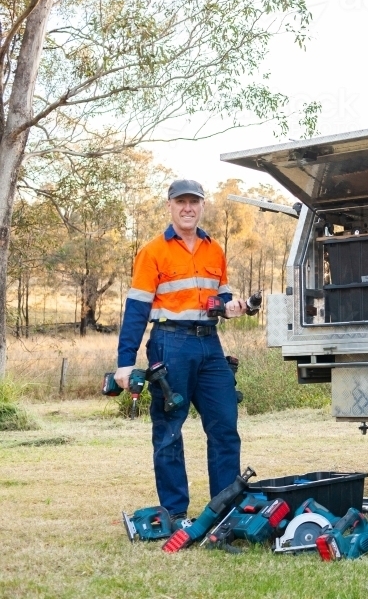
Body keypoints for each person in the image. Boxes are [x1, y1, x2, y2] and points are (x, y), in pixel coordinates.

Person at [113, 179, 247, 525]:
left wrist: (233, 306)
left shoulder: (214, 249)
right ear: (170, 206)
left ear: (202, 206)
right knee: (170, 429)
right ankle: (175, 512)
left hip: (210, 345)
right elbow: (136, 310)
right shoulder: (152, 251)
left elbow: (223, 298)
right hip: (170, 343)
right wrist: (125, 363)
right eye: (181, 202)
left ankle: (225, 511)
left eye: (194, 202)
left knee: (225, 426)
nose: (188, 208)